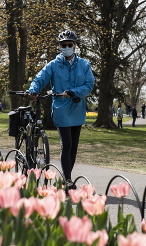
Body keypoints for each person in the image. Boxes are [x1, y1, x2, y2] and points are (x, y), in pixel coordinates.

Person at [28, 30, 95, 190]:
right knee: (67, 144)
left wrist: (75, 92)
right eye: (63, 45)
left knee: (74, 146)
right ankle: (69, 180)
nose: (66, 47)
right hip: (61, 109)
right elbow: (40, 78)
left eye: (69, 45)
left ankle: (66, 180)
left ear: (74, 45)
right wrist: (33, 90)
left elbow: (89, 85)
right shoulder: (53, 65)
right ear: (59, 46)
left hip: (77, 109)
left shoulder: (84, 65)